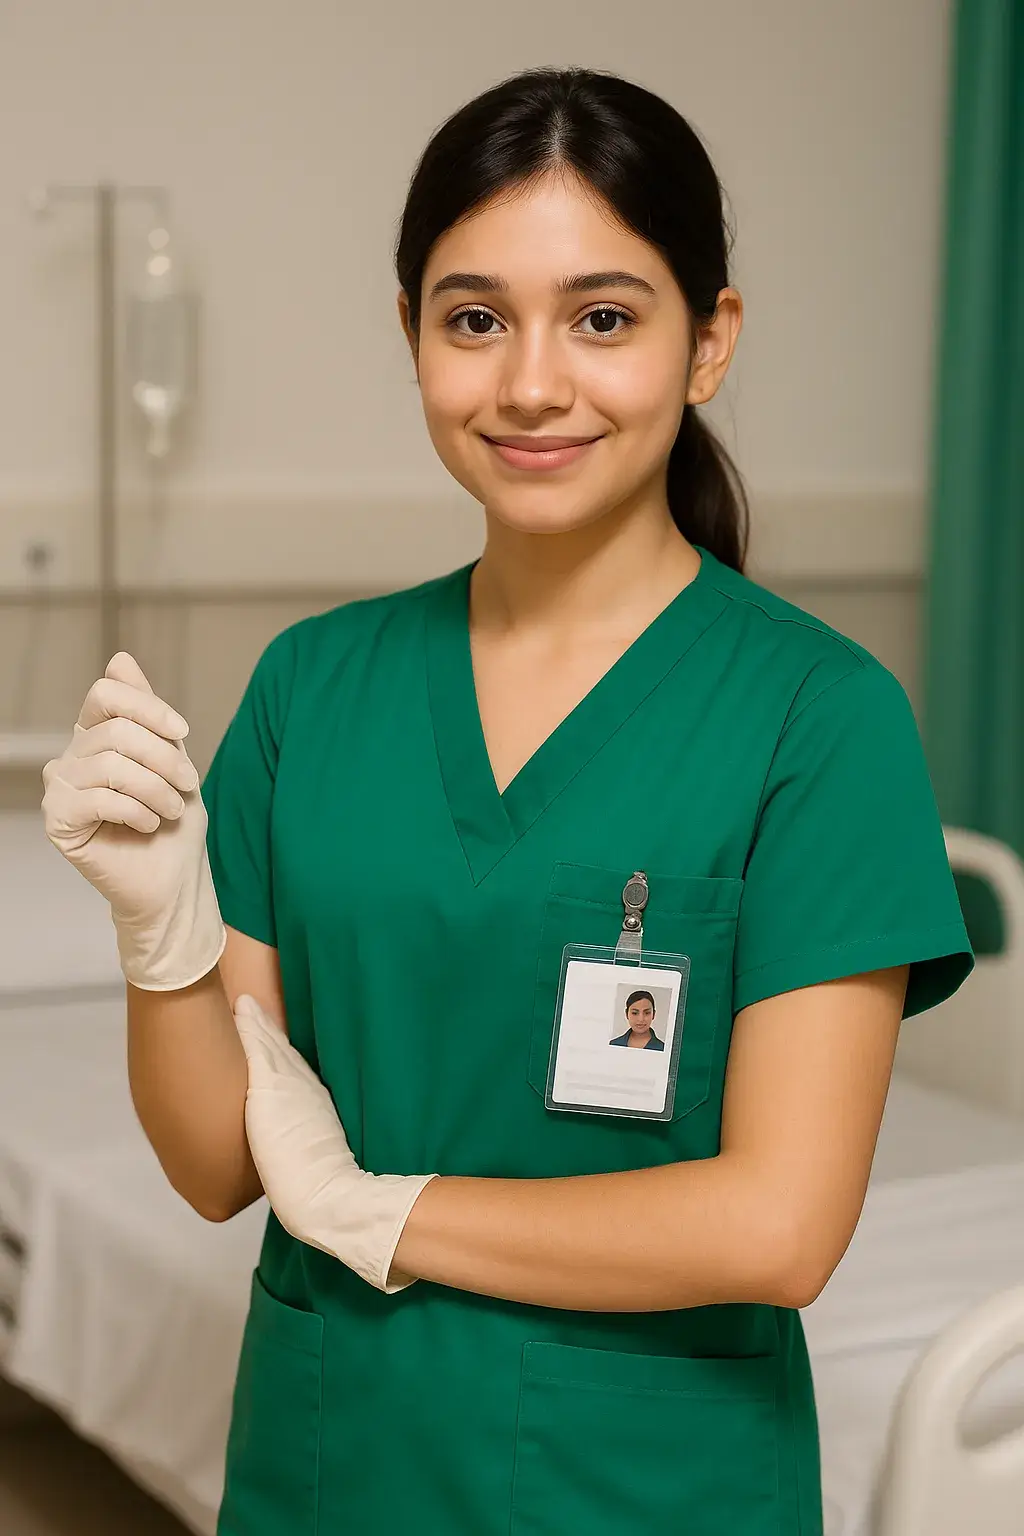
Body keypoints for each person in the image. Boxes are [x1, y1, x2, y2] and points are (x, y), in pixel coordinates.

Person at [41, 66, 974, 1536]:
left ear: (708, 341)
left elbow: (781, 1226)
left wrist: (380, 1212)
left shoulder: (819, 716)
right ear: (411, 336)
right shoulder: (313, 688)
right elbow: (220, 1164)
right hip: (330, 1458)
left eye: (604, 318)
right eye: (474, 318)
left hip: (653, 1490)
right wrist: (163, 937)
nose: (531, 383)